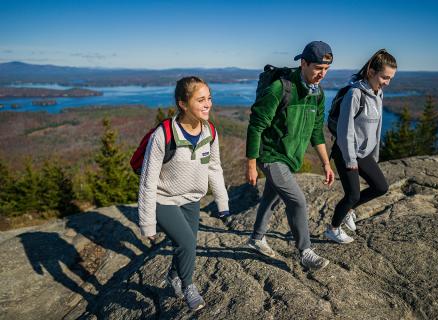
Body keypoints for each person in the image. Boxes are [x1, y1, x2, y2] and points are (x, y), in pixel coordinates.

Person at [138, 76, 229, 311]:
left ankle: (173, 276)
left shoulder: (210, 132)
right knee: (187, 242)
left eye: (209, 98)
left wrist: (222, 201)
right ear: (183, 104)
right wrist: (147, 224)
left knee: (185, 245)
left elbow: (214, 167)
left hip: (192, 198)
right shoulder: (163, 135)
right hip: (163, 198)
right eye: (201, 100)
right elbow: (147, 181)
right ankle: (188, 285)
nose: (208, 104)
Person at [245, 41, 335, 270]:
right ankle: (305, 251)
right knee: (297, 201)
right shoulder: (281, 88)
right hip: (270, 155)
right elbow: (256, 125)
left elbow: (316, 131)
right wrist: (252, 164)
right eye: (317, 68)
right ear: (303, 63)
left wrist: (326, 164)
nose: (322, 74)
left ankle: (256, 237)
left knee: (271, 196)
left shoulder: (318, 94)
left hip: (289, 157)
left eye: (326, 69)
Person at [324, 49, 397, 244]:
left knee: (381, 187)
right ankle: (333, 229)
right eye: (384, 77)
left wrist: (374, 154)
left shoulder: (378, 93)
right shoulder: (355, 94)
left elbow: (377, 128)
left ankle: (349, 211)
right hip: (346, 150)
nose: (387, 83)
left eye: (390, 78)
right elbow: (345, 130)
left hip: (364, 153)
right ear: (371, 72)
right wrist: (350, 160)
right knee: (352, 195)